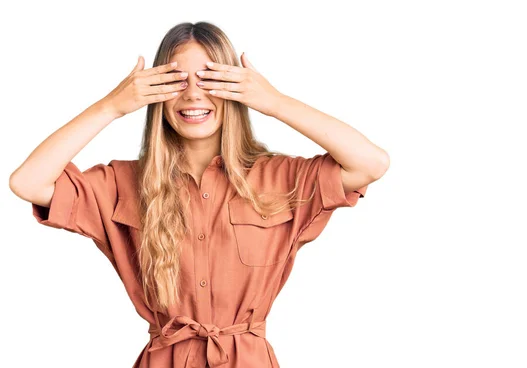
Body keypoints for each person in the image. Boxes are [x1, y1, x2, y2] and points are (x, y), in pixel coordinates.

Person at [9, 21, 389, 368]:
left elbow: (370, 163)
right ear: (154, 92)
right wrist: (111, 106)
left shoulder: (281, 177)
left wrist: (275, 103)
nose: (192, 95)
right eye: (176, 80)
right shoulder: (122, 183)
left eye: (209, 79)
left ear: (235, 87)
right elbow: (28, 182)